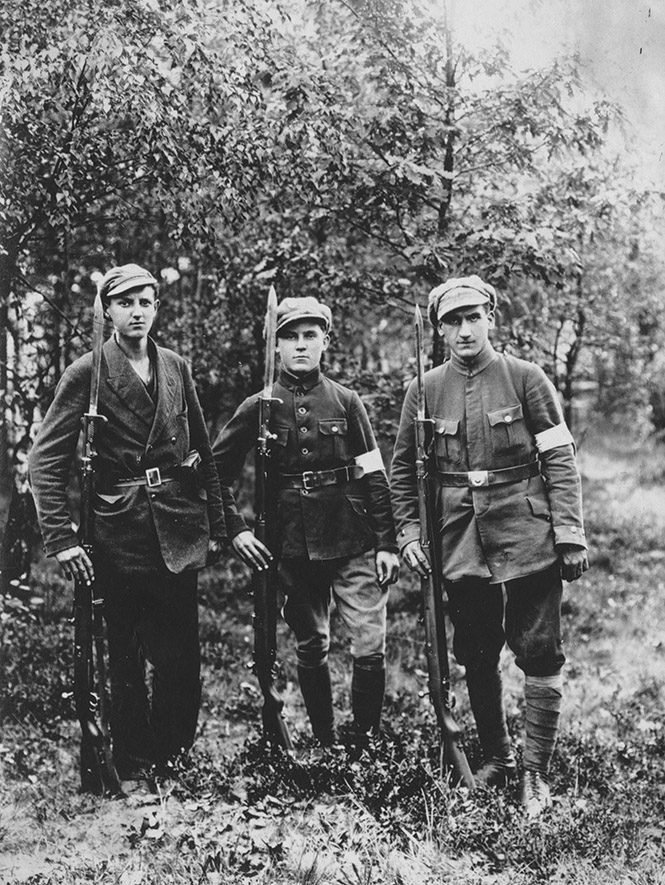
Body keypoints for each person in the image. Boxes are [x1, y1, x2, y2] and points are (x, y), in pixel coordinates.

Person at [391, 274, 588, 817]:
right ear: (439, 329)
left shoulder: (526, 378)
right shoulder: (424, 390)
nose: (464, 330)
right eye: (452, 321)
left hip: (528, 534)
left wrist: (569, 534)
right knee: (476, 651)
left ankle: (535, 774)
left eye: (473, 317)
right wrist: (407, 533)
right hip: (459, 541)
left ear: (490, 319)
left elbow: (559, 459)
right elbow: (403, 471)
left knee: (539, 649)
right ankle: (500, 757)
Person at [28, 263, 226, 788]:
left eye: (145, 302)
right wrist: (62, 539)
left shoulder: (176, 367)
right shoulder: (88, 372)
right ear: (107, 310)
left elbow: (205, 451)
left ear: (156, 308)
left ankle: (173, 758)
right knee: (126, 656)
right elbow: (43, 462)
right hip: (119, 531)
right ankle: (133, 762)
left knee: (180, 658)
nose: (136, 312)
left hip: (178, 525)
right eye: (125, 302)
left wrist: (221, 523)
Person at [213, 296, 400, 749]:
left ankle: (365, 746)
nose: (300, 345)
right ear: (275, 346)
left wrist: (386, 543)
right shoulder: (258, 406)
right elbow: (216, 474)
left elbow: (374, 474)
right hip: (291, 545)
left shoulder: (346, 401)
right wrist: (236, 529)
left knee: (369, 641)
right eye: (290, 337)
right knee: (311, 642)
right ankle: (327, 741)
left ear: (325, 342)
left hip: (352, 536)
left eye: (310, 336)